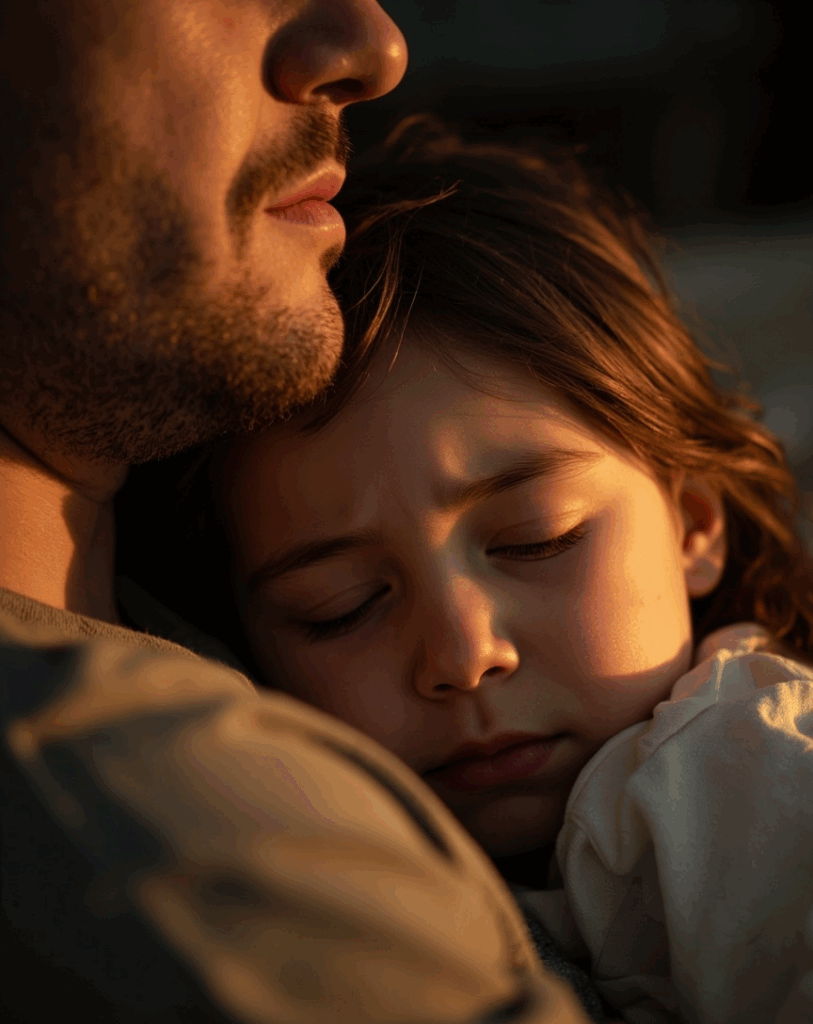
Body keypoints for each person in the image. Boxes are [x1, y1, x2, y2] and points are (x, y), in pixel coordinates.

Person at [0, 7, 598, 1024]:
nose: (372, 46)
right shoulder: (155, 837)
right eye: (338, 602)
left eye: (534, 538)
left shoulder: (163, 595)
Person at [196, 118, 813, 1024]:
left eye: (536, 538)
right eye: (338, 608)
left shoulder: (739, 771)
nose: (461, 653)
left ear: (692, 522)